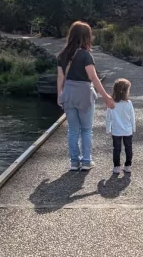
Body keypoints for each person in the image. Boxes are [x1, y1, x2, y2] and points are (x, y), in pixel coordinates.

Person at [56, 21, 115, 171]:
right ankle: (87, 161)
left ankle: (74, 162)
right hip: (84, 95)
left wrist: (59, 95)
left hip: (68, 94)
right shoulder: (85, 55)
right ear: (85, 37)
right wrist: (106, 96)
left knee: (73, 130)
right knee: (86, 130)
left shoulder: (62, 55)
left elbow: (60, 78)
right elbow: (94, 78)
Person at [105, 78, 135, 175]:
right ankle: (128, 165)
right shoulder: (128, 103)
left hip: (116, 130)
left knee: (116, 148)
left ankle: (116, 167)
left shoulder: (112, 103)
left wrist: (108, 128)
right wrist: (133, 128)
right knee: (128, 147)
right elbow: (132, 117)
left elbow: (108, 117)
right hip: (128, 130)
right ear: (126, 91)